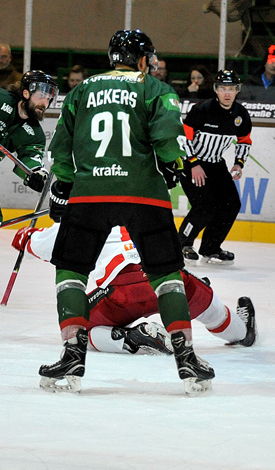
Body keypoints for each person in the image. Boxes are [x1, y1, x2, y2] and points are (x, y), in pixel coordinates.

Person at [42, 29, 215, 395]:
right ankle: (186, 358)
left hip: (90, 194)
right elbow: (168, 139)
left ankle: (72, 353)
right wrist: (174, 166)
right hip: (144, 195)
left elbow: (61, 145)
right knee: (166, 274)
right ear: (143, 59)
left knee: (71, 271)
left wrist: (64, 184)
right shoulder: (155, 88)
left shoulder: (81, 91)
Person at [14, 223, 257, 354]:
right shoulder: (147, 205)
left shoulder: (83, 217)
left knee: (76, 332)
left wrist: (27, 234)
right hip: (171, 280)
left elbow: (29, 242)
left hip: (122, 290)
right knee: (215, 314)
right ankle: (241, 332)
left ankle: (130, 338)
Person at [178, 70, 252, 266]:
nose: (227, 93)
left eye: (231, 89)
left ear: (237, 90)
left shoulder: (241, 114)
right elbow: (184, 137)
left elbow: (244, 140)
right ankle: (182, 244)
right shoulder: (202, 109)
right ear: (216, 90)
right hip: (191, 163)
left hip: (216, 163)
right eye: (223, 88)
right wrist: (194, 163)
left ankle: (210, 248)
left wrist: (239, 163)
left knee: (231, 204)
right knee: (204, 206)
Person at [0, 71, 55, 218]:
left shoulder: (35, 134)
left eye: (48, 98)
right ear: (26, 93)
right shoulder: (2, 99)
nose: (45, 103)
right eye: (41, 96)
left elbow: (31, 158)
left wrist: (35, 175)